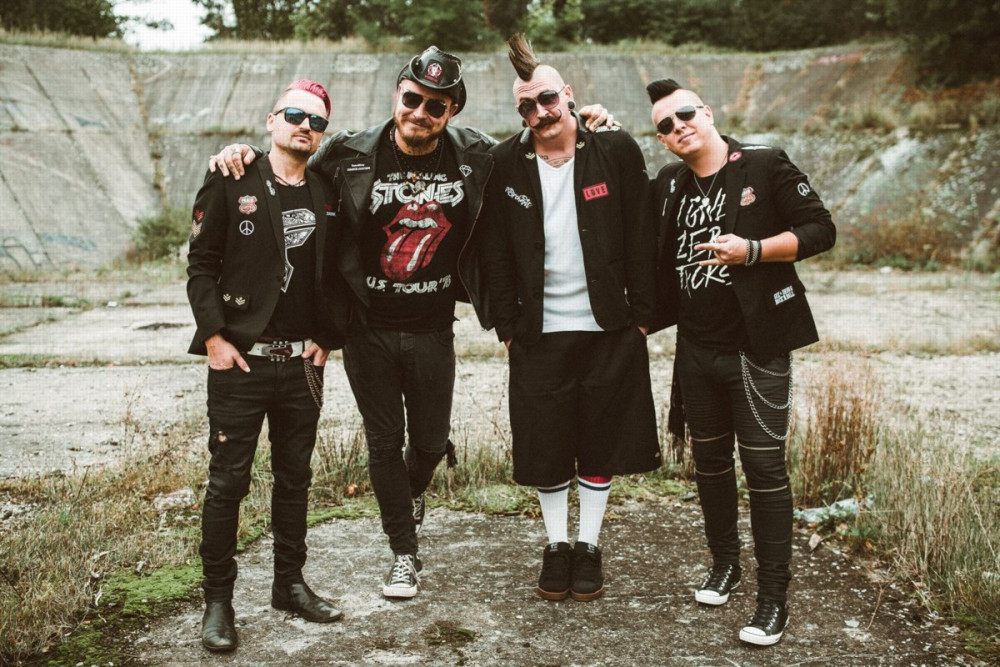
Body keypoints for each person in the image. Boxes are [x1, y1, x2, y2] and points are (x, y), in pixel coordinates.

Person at [209, 46, 615, 601]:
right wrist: (245, 153)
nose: (420, 112)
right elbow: (290, 165)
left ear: (452, 112)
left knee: (427, 443)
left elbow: (546, 139)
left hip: (432, 326)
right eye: (412, 99)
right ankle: (404, 553)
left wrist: (591, 123)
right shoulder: (348, 153)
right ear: (397, 95)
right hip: (367, 328)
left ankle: (412, 490)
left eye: (436, 106)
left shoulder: (477, 155)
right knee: (384, 443)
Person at [646, 78, 836, 645]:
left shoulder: (763, 163)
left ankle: (772, 598)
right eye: (665, 125)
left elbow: (821, 230)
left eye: (685, 114)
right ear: (662, 140)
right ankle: (725, 565)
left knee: (765, 471)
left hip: (757, 350)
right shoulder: (669, 183)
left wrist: (753, 251)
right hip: (695, 351)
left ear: (706, 112)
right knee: (709, 465)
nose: (678, 127)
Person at [481, 35, 661, 602]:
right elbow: (494, 252)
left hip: (609, 327)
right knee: (546, 443)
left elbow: (643, 234)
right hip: (537, 332)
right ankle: (557, 544)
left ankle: (589, 544)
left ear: (569, 95)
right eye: (527, 107)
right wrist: (507, 329)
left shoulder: (616, 149)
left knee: (600, 441)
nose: (540, 112)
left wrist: (643, 320)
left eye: (548, 99)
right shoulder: (502, 163)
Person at [187, 79, 347, 653]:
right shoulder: (233, 177)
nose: (306, 126)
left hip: (302, 365)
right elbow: (201, 264)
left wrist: (329, 336)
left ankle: (289, 585)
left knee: (295, 478)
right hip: (241, 363)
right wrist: (214, 337)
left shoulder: (327, 189)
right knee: (228, 482)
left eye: (317, 121)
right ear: (272, 119)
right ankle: (218, 602)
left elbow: (342, 269)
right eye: (296, 115)